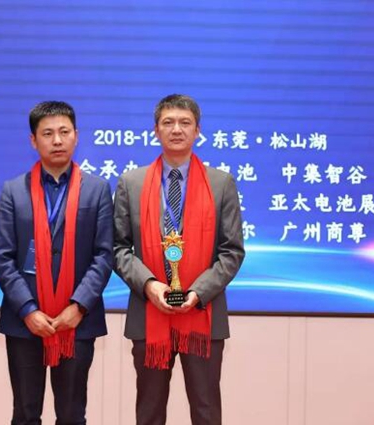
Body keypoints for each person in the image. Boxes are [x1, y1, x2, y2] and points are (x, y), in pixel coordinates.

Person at [113, 94, 245, 425]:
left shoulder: (221, 183)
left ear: (197, 130)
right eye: (168, 122)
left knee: (206, 411)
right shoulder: (131, 183)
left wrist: (198, 292)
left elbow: (232, 251)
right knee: (149, 412)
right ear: (155, 130)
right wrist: (150, 286)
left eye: (185, 123)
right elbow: (118, 248)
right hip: (149, 314)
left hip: (203, 316)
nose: (176, 129)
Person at [0, 101, 113, 425]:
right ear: (34, 140)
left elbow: (104, 254)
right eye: (47, 134)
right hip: (24, 323)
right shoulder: (13, 191)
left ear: (76, 136)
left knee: (72, 415)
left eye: (64, 132)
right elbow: (3, 257)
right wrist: (28, 310)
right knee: (25, 414)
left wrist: (79, 306)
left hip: (77, 322)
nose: (57, 140)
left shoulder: (97, 190)